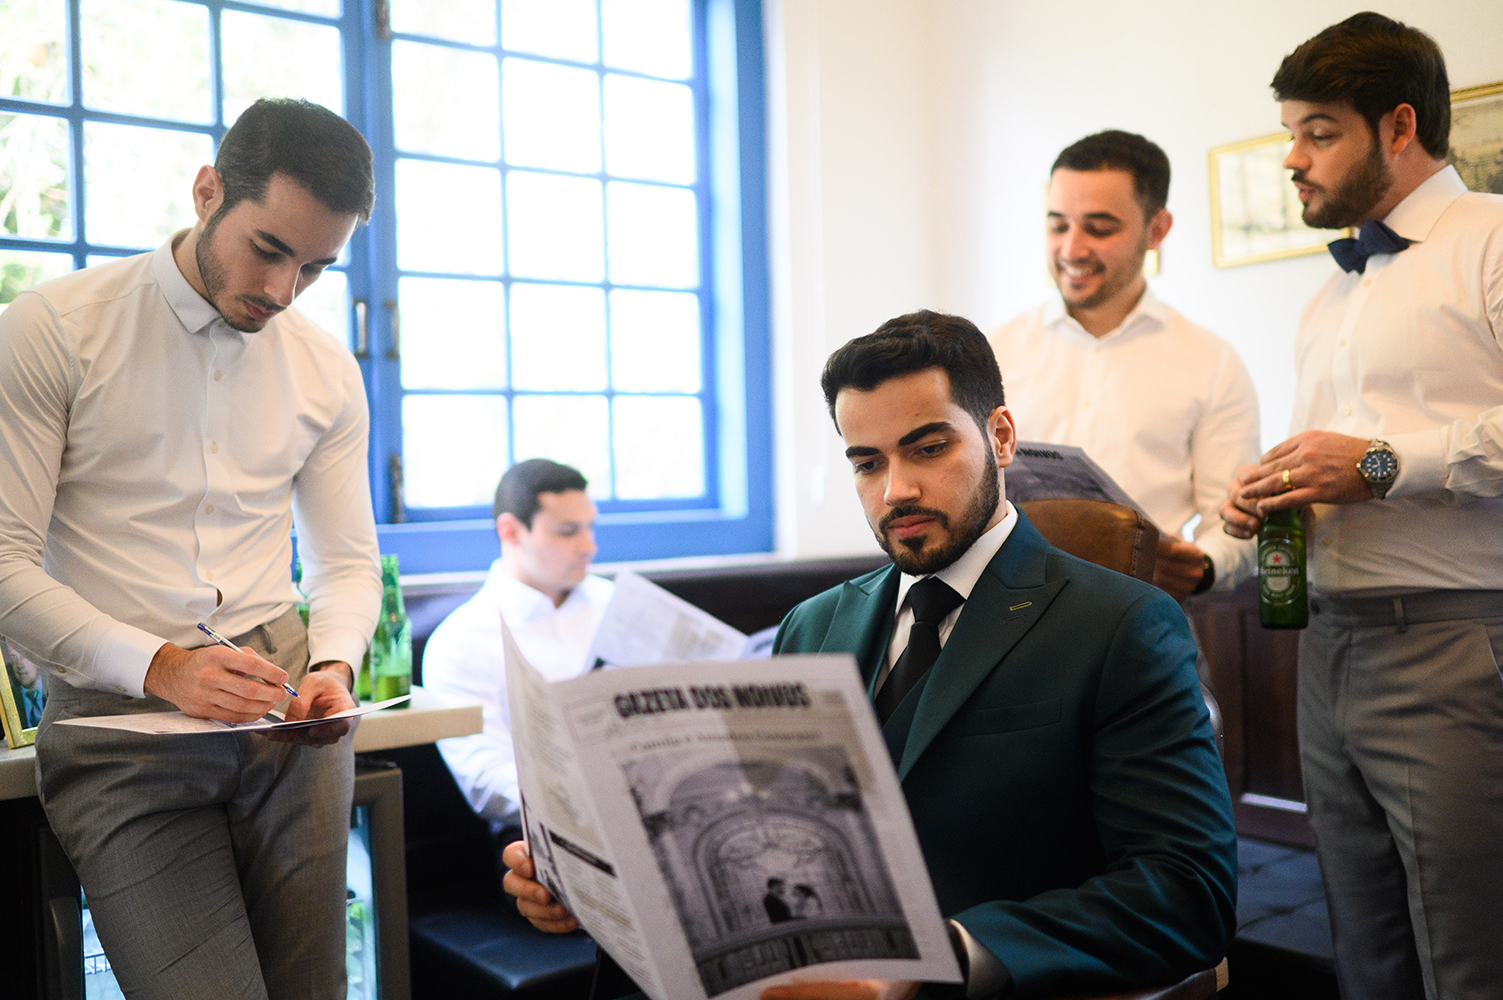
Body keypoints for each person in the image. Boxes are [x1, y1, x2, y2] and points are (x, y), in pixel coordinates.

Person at [505, 311, 1237, 1000]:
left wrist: (942, 959)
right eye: (866, 462)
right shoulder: (811, 625)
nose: (897, 489)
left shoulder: (1123, 624)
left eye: (928, 447)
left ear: (1001, 436)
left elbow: (1185, 891)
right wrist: (598, 887)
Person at [0, 98, 381, 999]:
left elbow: (346, 563)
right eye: (270, 250)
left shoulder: (325, 368)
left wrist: (335, 660)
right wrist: (163, 667)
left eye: (318, 268)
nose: (284, 292)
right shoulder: (51, 329)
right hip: (117, 723)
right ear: (208, 192)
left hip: (289, 709)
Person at [1221, 13, 1503, 1000]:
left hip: (1454, 645)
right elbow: (1331, 481)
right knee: (1366, 955)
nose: (1292, 159)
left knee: (1469, 957)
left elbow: (1372, 465)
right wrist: (1246, 525)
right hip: (1323, 646)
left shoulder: (1495, 241)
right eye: (1290, 132)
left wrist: (1378, 465)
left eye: (1317, 132)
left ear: (1396, 126)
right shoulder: (1326, 299)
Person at [989, 130, 1261, 601]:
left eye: (1099, 228)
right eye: (1057, 225)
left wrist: (1206, 565)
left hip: (1144, 626)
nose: (1072, 249)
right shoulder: (994, 353)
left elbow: (1237, 527)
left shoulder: (1211, 362)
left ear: (1157, 229)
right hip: (1007, 621)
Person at [422, 458, 614, 853]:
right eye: (567, 532)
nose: (589, 547)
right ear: (510, 531)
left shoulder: (617, 605)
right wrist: (583, 802)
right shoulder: (462, 640)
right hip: (538, 832)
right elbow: (484, 778)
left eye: (590, 527)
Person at [3, 637, 46, 729]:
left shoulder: (56, 690)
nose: (20, 665)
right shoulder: (7, 701)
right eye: (13, 659)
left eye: (24, 658)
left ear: (37, 661)